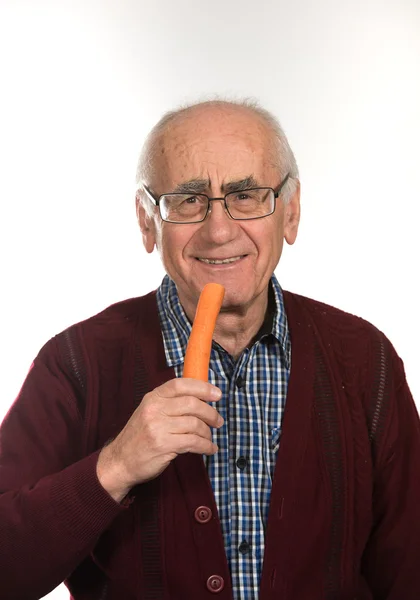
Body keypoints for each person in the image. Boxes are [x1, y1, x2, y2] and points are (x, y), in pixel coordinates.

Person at [1, 99, 419, 600]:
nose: (219, 231)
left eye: (246, 195)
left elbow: (408, 568)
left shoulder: (364, 357)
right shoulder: (76, 363)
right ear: (146, 222)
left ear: (291, 212)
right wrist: (116, 466)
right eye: (187, 200)